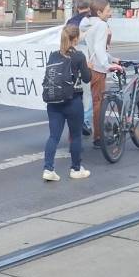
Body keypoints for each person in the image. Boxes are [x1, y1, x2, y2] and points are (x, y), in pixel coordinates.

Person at [42, 25, 92, 182]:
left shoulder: (53, 55)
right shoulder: (79, 56)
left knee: (53, 136)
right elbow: (86, 78)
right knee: (76, 135)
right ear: (75, 39)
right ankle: (76, 169)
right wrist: (88, 67)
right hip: (73, 101)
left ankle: (48, 169)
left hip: (54, 102)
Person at [81, 0, 122, 150]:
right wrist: (108, 65)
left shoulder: (87, 24)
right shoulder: (102, 25)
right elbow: (99, 48)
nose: (110, 13)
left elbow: (94, 47)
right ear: (99, 12)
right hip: (97, 70)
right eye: (108, 10)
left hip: (86, 68)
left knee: (84, 102)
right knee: (98, 104)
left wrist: (112, 58)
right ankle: (98, 137)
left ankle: (77, 132)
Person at [66, 0, 93, 137]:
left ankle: (73, 122)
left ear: (76, 6)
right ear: (89, 6)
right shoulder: (89, 21)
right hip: (84, 61)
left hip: (69, 61)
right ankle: (86, 121)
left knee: (74, 94)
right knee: (87, 94)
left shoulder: (70, 21)